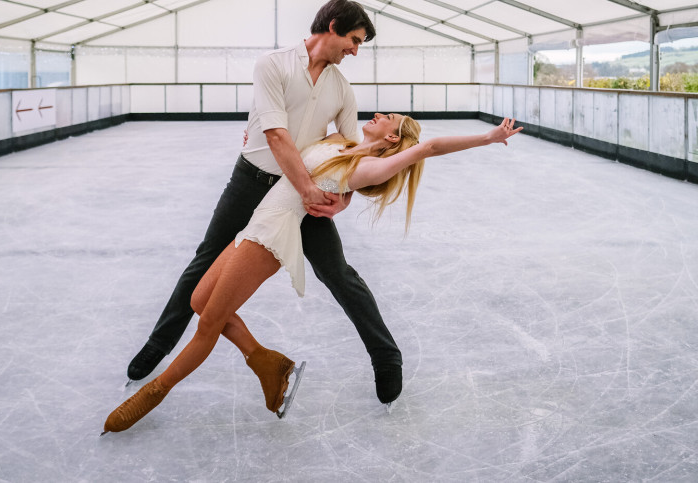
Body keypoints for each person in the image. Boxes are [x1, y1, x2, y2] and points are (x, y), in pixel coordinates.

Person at [103, 115, 523, 433]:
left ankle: (154, 393)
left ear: (393, 138)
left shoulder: (365, 168)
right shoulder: (340, 139)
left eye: (388, 118)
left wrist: (487, 137)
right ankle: (266, 362)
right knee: (199, 300)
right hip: (256, 221)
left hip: (273, 235)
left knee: (210, 321)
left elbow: (428, 148)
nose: (378, 114)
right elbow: (287, 137)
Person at [126, 0, 405, 407]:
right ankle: (159, 343)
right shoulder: (273, 64)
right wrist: (307, 188)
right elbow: (276, 134)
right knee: (206, 258)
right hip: (253, 181)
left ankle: (385, 355)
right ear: (333, 26)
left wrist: (342, 201)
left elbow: (351, 153)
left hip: (300, 194)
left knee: (337, 273)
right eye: (355, 40)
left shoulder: (342, 90)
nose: (355, 50)